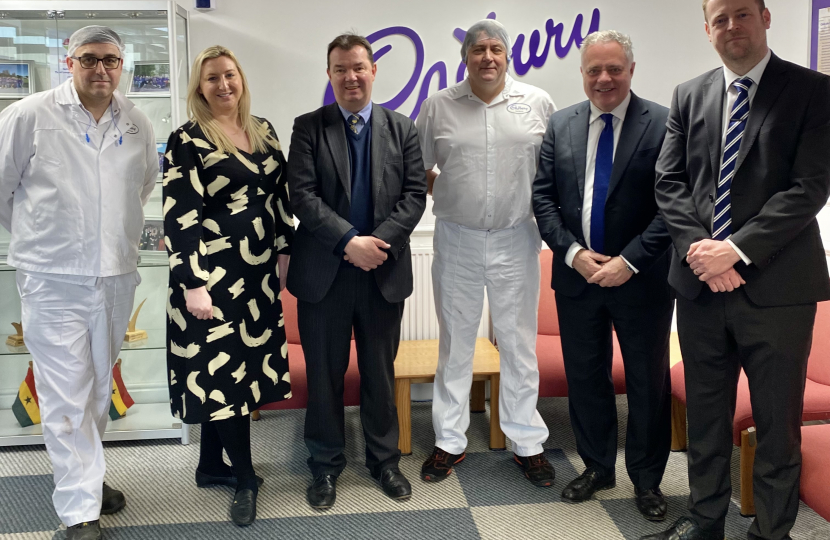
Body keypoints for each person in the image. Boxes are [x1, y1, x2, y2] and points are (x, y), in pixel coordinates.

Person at [644, 0, 830, 538]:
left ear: (765, 17)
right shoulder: (689, 94)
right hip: (701, 290)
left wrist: (738, 250)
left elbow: (809, 187)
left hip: (778, 292)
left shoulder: (812, 91)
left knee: (776, 427)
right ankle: (706, 525)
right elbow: (669, 182)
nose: (732, 27)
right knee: (705, 423)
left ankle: (771, 532)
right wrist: (704, 250)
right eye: (720, 18)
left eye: (742, 14)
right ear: (707, 30)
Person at [0, 26, 157, 540]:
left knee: (93, 388)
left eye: (111, 60)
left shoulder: (135, 122)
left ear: (121, 65)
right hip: (53, 279)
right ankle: (78, 514)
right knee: (64, 393)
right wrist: (43, 239)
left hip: (115, 276)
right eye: (89, 59)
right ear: (69, 62)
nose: (101, 69)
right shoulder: (29, 115)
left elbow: (142, 188)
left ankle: (87, 480)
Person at [531, 30, 674, 520]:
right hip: (578, 277)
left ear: (630, 70)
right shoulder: (561, 124)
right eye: (594, 70)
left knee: (646, 382)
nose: (604, 78)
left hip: (642, 279)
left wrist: (628, 260)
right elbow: (543, 198)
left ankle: (648, 479)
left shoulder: (662, 122)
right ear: (583, 74)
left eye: (614, 68)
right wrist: (572, 253)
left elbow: (672, 206)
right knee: (586, 376)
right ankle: (596, 466)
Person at [286, 33, 427, 510]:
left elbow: (414, 197)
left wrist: (375, 245)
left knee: (379, 373)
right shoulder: (309, 127)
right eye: (341, 69)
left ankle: (384, 461)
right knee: (324, 374)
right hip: (324, 273)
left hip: (382, 272)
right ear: (329, 74)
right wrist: (350, 242)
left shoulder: (403, 128)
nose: (351, 77)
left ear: (373, 70)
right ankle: (324, 466)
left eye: (358, 67)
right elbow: (302, 196)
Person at [415, 19, 555, 486]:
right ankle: (449, 440)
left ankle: (526, 442)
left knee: (518, 342)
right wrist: (447, 189)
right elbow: (416, 169)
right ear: (466, 57)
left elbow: (554, 172)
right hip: (458, 238)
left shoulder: (537, 103)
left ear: (508, 55)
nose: (487, 57)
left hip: (518, 237)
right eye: (479, 50)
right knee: (455, 343)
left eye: (496, 49)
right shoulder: (439, 105)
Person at [163, 45, 293, 527]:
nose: (223, 85)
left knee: (243, 369)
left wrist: (284, 250)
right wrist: (193, 284)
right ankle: (242, 478)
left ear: (241, 78)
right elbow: (180, 217)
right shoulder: (188, 139)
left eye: (229, 75)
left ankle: (209, 466)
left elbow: (279, 199)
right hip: (211, 280)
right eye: (212, 78)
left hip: (256, 277)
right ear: (200, 87)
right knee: (224, 378)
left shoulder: (264, 130)